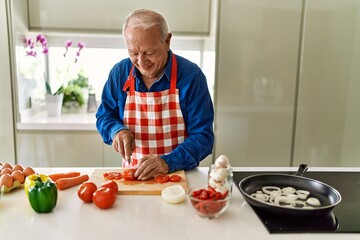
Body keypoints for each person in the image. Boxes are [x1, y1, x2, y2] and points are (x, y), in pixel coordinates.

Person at [96, 9, 214, 180]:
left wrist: (168, 162)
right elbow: (105, 116)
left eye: (149, 53)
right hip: (133, 178)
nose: (142, 63)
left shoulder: (191, 76)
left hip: (178, 177)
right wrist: (116, 131)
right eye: (134, 53)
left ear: (167, 42)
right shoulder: (119, 73)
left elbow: (203, 137)